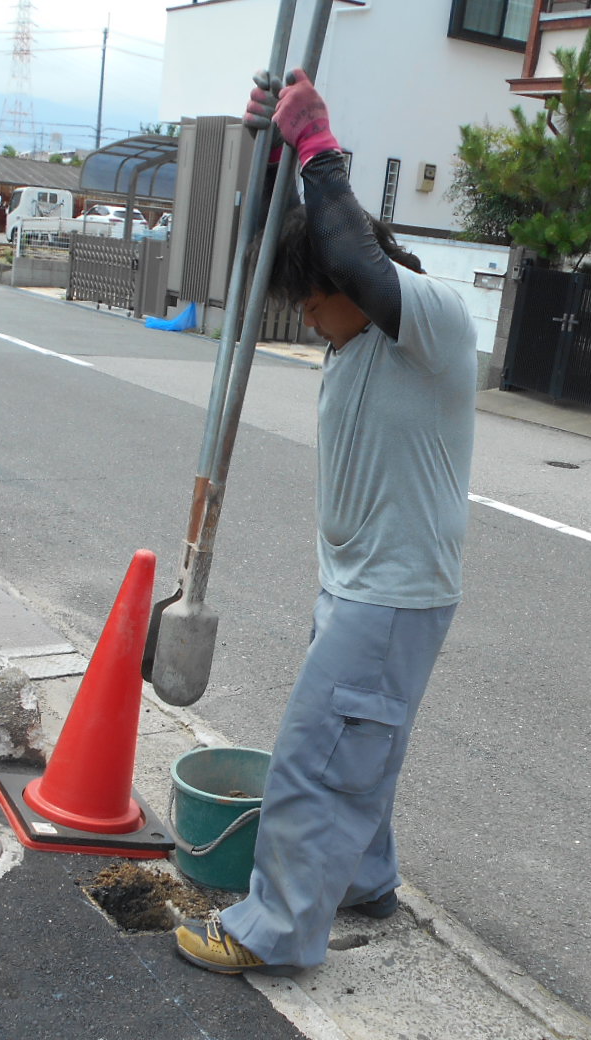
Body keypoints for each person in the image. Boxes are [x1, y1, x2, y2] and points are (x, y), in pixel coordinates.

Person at [174, 68, 477, 975]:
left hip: (390, 593)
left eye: (316, 295)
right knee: (360, 747)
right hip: (358, 585)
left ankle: (277, 930)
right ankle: (364, 879)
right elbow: (289, 255)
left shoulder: (428, 322)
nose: (306, 309)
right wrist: (274, 162)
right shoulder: (348, 340)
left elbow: (346, 257)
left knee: (312, 758)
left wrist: (322, 149)